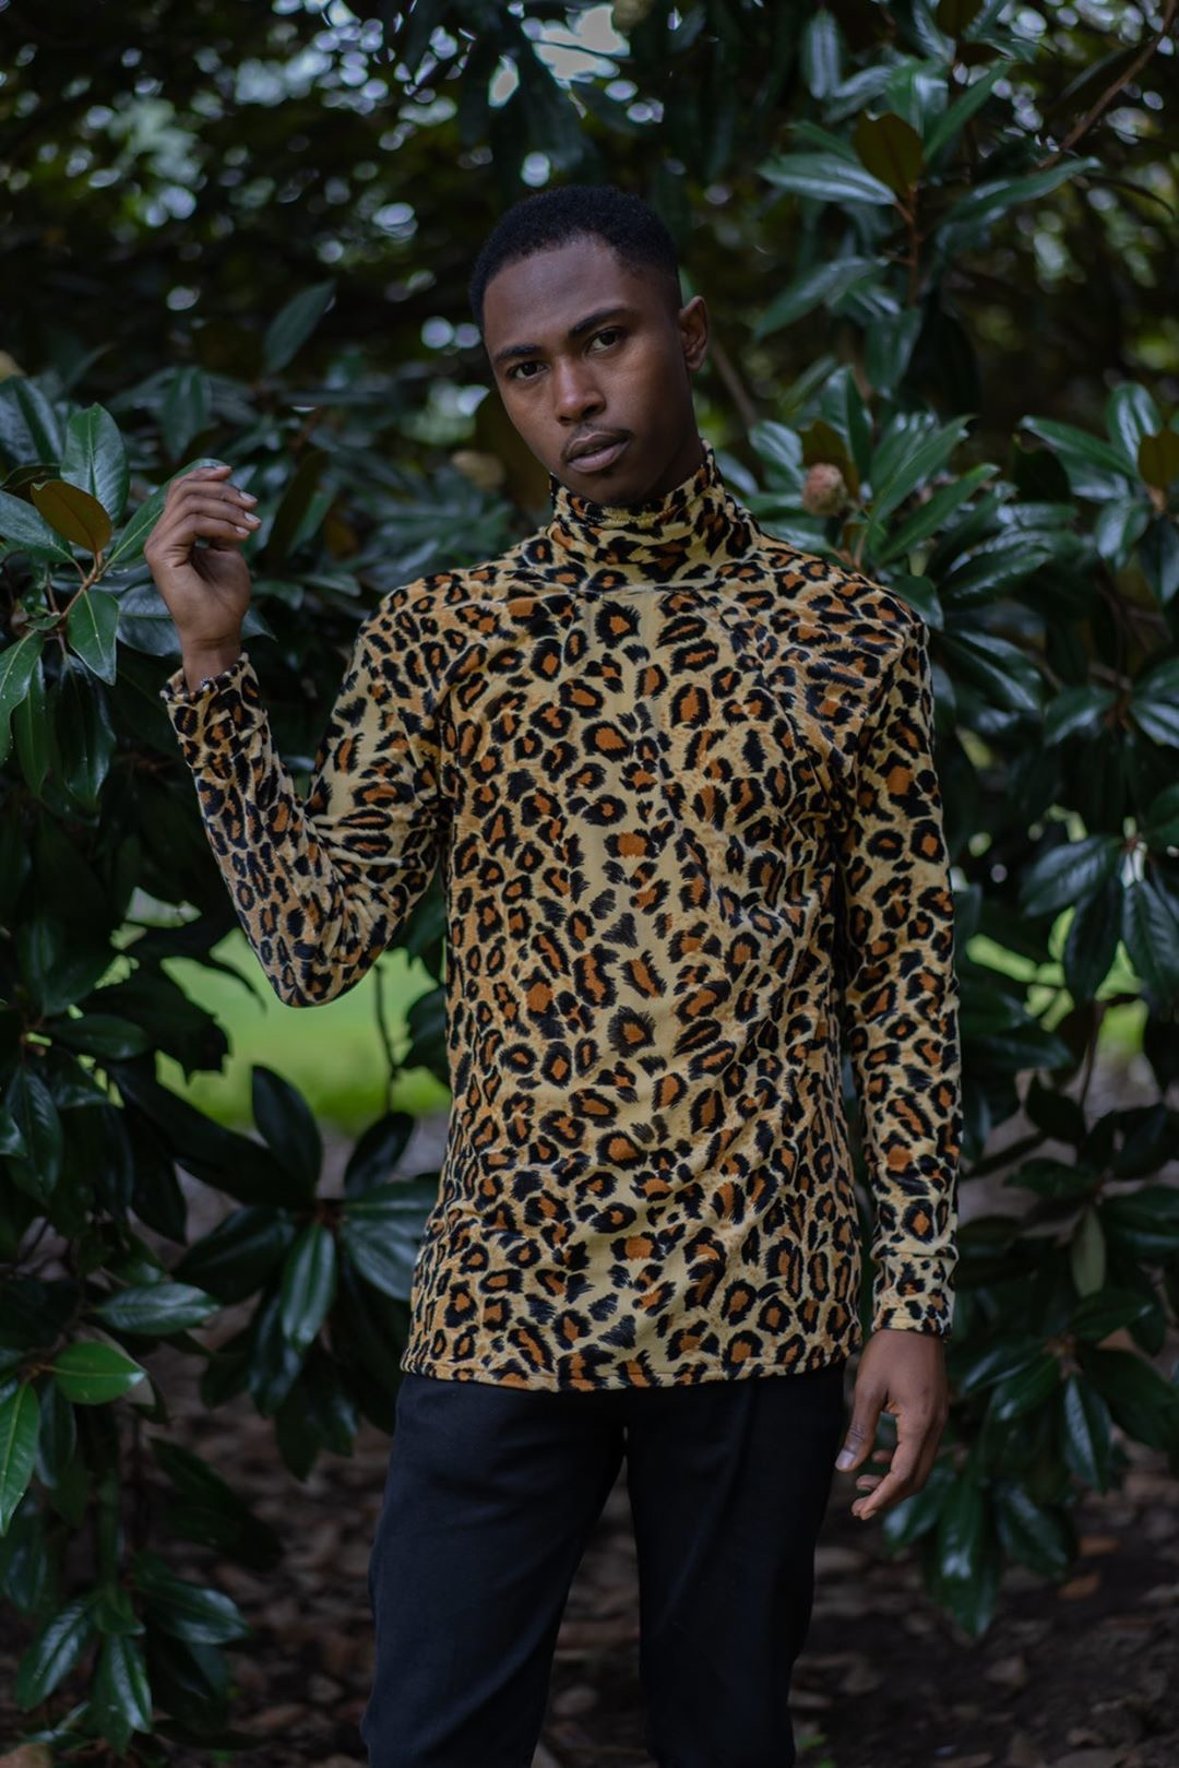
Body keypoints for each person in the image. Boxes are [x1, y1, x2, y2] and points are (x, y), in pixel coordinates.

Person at [147, 184, 962, 1768]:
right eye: (526, 370)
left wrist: (912, 1298)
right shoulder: (446, 638)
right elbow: (313, 949)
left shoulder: (847, 632)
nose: (573, 397)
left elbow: (906, 983)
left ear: (688, 336)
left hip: (764, 1293)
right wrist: (213, 673)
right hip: (509, 1297)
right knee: (432, 1734)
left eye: (606, 342)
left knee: (727, 1734)